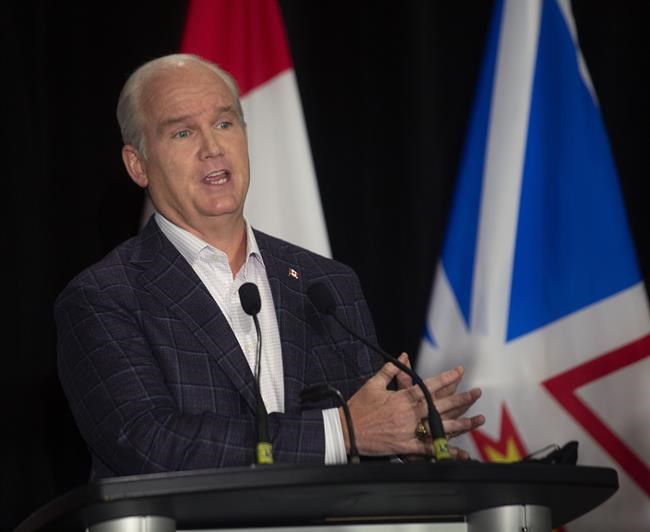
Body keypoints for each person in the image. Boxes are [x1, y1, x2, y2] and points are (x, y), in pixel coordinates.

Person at [55, 54, 484, 480]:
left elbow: (368, 438)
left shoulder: (327, 285)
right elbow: (149, 444)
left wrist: (408, 442)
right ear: (138, 165)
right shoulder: (104, 298)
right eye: (183, 132)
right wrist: (341, 431)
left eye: (225, 123)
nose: (212, 148)